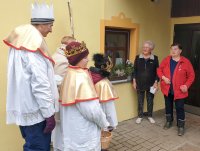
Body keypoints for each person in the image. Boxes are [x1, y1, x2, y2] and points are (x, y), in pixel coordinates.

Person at [3, 2, 58, 151]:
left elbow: (25, 76)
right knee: (38, 148)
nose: (51, 30)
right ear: (42, 24)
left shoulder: (22, 40)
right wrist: (49, 114)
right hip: (37, 112)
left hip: (25, 108)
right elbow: (39, 83)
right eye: (50, 25)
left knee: (30, 145)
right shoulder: (33, 43)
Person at [57, 41, 109, 151]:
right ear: (77, 59)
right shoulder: (80, 77)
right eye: (85, 57)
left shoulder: (69, 73)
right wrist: (104, 123)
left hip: (72, 131)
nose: (88, 60)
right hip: (83, 133)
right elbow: (92, 111)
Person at [157, 43, 195, 136]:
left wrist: (186, 85)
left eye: (175, 49)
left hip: (180, 91)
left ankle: (181, 126)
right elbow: (159, 70)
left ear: (180, 51)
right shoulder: (166, 60)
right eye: (172, 49)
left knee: (180, 108)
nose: (173, 51)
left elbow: (191, 75)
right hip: (167, 88)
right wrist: (163, 78)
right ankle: (169, 121)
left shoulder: (186, 62)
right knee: (168, 106)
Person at [51, 36, 76, 151]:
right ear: (66, 45)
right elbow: (59, 81)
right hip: (62, 98)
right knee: (62, 126)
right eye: (73, 45)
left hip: (60, 98)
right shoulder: (62, 59)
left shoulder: (58, 55)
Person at [132, 40, 159, 124]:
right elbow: (134, 70)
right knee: (140, 100)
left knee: (150, 100)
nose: (144, 49)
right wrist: (134, 81)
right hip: (139, 83)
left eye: (146, 47)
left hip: (151, 84)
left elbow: (157, 72)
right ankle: (140, 116)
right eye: (143, 47)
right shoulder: (138, 57)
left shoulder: (155, 58)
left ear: (151, 49)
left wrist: (156, 82)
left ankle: (150, 116)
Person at [89, 53, 118, 130]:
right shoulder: (104, 83)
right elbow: (109, 108)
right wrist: (111, 124)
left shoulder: (89, 75)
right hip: (103, 123)